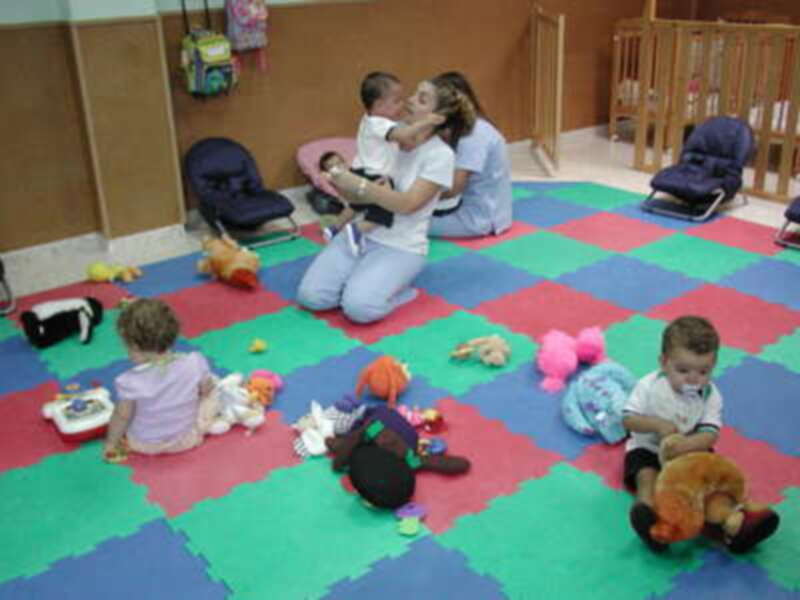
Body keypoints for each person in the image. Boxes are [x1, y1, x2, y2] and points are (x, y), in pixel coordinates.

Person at [296, 76, 475, 324]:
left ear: (437, 117)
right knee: (311, 297)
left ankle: (397, 290)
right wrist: (339, 181)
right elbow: (353, 198)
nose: (410, 101)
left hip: (400, 246)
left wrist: (361, 185)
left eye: (421, 99)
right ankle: (364, 280)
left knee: (359, 308)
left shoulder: (440, 155)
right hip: (359, 233)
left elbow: (407, 204)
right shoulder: (387, 133)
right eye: (414, 94)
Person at [622, 315, 779, 553]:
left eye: (703, 371)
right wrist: (656, 425)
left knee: (708, 488)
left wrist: (688, 444)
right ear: (664, 362)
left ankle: (735, 524)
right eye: (683, 370)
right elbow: (628, 419)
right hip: (648, 448)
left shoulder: (711, 395)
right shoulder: (649, 385)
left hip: (692, 454)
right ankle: (649, 516)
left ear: (713, 365)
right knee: (647, 477)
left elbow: (710, 434)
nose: (693, 379)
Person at [323, 72, 445, 255]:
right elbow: (404, 135)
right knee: (385, 210)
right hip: (373, 175)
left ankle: (335, 228)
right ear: (379, 105)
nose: (403, 104)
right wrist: (426, 123)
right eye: (397, 101)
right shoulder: (380, 123)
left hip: (360, 170)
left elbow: (400, 130)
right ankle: (357, 230)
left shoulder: (369, 120)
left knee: (358, 205)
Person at [103, 298, 218, 458]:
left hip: (142, 444)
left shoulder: (128, 381)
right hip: (186, 439)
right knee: (213, 386)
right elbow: (206, 391)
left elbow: (122, 416)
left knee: (124, 409)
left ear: (134, 347)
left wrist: (111, 443)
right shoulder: (195, 361)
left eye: (126, 346)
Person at [326, 404, 470, 509]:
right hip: (380, 419)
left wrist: (336, 457)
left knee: (350, 431)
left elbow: (434, 462)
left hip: (384, 421)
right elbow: (434, 462)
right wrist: (337, 459)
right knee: (353, 430)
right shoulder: (407, 458)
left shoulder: (408, 459)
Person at [427, 71, 513, 238]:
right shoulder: (470, 128)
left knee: (405, 225)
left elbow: (453, 188)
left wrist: (415, 198)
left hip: (480, 220)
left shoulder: (474, 135)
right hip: (482, 208)